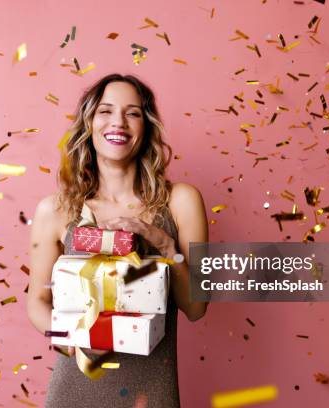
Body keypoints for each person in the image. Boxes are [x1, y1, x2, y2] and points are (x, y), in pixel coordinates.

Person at [26, 73, 208, 407]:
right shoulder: (55, 210)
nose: (118, 122)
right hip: (76, 386)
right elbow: (36, 302)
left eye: (133, 113)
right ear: (89, 123)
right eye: (106, 111)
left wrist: (165, 245)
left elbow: (196, 308)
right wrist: (74, 341)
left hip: (151, 389)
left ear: (147, 126)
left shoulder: (181, 202)